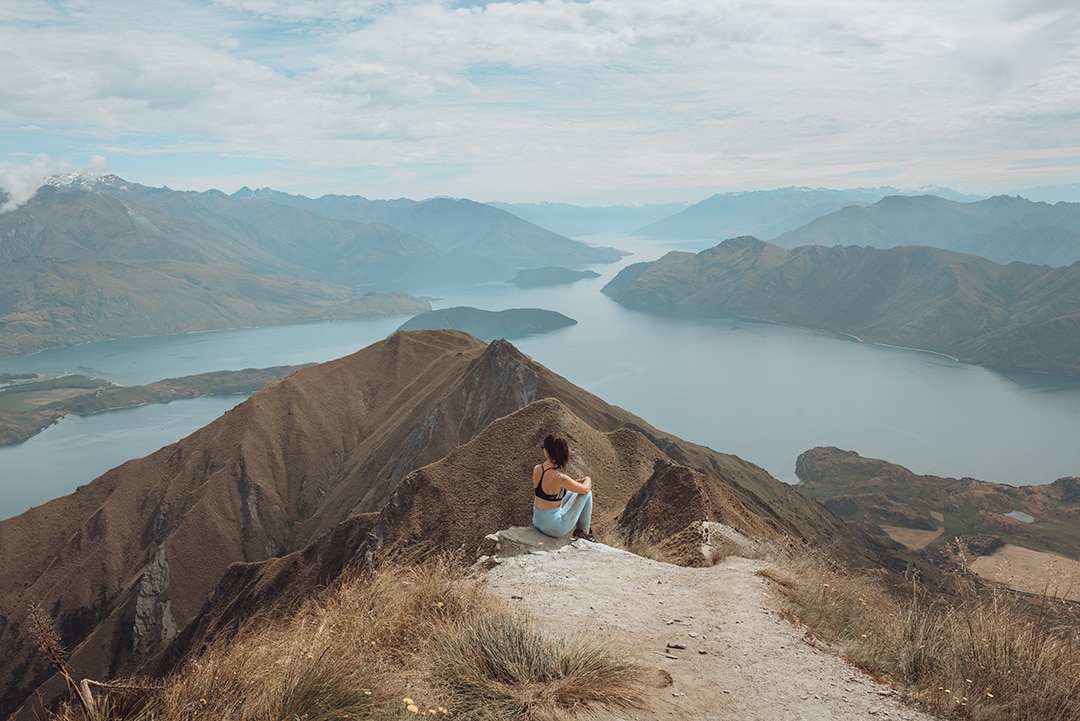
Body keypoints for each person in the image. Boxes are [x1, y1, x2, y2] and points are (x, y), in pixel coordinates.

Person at [532, 433, 595, 541]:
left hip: (537, 521)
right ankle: (584, 532)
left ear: (546, 451)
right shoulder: (559, 478)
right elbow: (585, 489)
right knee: (587, 494)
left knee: (575, 493)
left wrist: (572, 485)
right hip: (554, 528)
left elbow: (551, 491)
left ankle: (583, 532)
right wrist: (588, 479)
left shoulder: (537, 469)